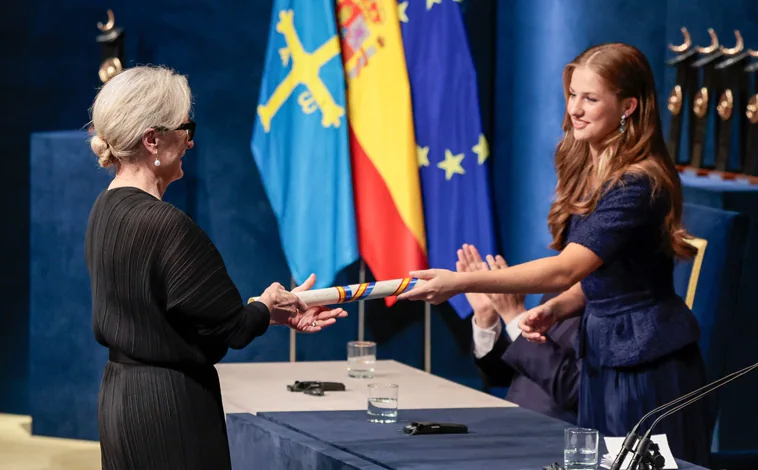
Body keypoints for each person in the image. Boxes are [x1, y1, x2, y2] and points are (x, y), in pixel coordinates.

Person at [398, 43, 714, 465]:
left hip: (646, 361)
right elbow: (611, 272)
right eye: (572, 95)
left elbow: (568, 267)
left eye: (591, 98)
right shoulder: (589, 163)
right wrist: (559, 308)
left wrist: (461, 281)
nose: (576, 109)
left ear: (628, 107)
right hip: (603, 349)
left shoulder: (639, 181)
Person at [85, 65, 347, 470]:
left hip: (121, 401)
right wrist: (267, 307)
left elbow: (176, 315)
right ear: (152, 139)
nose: (190, 142)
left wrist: (267, 310)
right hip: (170, 408)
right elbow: (233, 328)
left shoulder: (104, 209)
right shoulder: (166, 225)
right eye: (184, 128)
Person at [459, 244, 581, 424]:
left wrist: (514, 314)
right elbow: (508, 375)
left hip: (562, 440)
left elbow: (578, 391)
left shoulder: (617, 302)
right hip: (512, 428)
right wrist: (486, 317)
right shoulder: (564, 286)